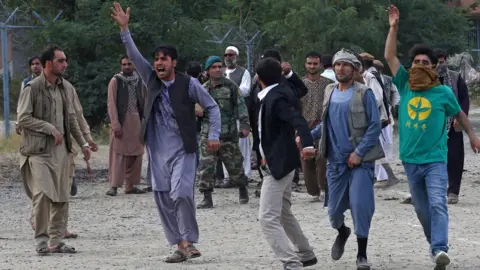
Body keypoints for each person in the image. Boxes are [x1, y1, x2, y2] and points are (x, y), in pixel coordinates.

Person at [111, 2, 221, 262]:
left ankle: (189, 239)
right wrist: (125, 30)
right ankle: (182, 244)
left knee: (181, 194)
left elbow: (212, 108)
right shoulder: (150, 79)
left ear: (173, 63)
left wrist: (214, 135)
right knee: (163, 198)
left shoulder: (189, 83)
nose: (158, 63)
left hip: (184, 150)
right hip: (157, 151)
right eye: (156, 59)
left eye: (163, 59)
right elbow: (135, 57)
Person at [384, 5, 480, 269]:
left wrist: (472, 135)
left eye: (425, 63)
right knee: (421, 209)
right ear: (411, 65)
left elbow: (460, 114)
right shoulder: (404, 84)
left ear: (433, 67)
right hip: (410, 160)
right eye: (416, 62)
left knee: (438, 203)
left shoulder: (442, 93)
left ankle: (440, 248)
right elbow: (389, 55)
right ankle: (434, 243)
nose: (420, 66)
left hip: (436, 159)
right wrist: (393, 28)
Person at [311, 48, 383, 269]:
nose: (340, 68)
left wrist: (359, 153)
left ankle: (362, 254)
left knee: (360, 206)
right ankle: (343, 232)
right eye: (337, 64)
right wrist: (307, 136)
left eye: (345, 65)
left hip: (360, 162)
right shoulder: (330, 91)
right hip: (335, 161)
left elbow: (375, 125)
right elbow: (327, 123)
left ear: (354, 69)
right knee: (333, 212)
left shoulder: (364, 93)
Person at [17, 45, 91, 254]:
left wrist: (84, 144)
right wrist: (48, 128)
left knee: (62, 195)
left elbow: (72, 119)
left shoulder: (65, 88)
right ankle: (41, 240)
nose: (65, 64)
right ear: (48, 63)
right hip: (39, 151)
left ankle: (56, 241)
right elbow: (23, 118)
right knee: (42, 194)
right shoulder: (32, 88)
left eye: (65, 60)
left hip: (62, 151)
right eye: (61, 61)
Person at [257, 57, 317, 270]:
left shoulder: (276, 98)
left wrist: (307, 143)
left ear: (258, 78)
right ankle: (305, 253)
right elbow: (299, 89)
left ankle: (291, 263)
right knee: (283, 212)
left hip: (279, 164)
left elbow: (298, 120)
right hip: (284, 161)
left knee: (267, 218)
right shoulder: (281, 92)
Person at [196, 56, 250, 209]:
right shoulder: (202, 89)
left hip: (228, 133)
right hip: (208, 134)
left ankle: (242, 188)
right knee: (206, 167)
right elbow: (193, 105)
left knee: (235, 166)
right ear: (208, 70)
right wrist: (196, 108)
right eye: (214, 67)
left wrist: (245, 125)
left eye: (220, 67)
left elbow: (241, 105)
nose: (218, 69)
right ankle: (207, 197)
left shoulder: (231, 86)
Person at [106, 55, 146, 196]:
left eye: (129, 64)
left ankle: (130, 185)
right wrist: (115, 124)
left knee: (137, 154)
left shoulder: (139, 80)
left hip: (137, 121)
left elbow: (144, 102)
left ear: (133, 65)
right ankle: (114, 186)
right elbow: (111, 103)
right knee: (119, 154)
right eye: (124, 64)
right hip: (122, 121)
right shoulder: (115, 81)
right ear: (120, 66)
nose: (127, 66)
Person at [434, 49, 470, 204]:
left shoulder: (455, 77)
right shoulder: (428, 78)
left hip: (453, 125)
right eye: (436, 62)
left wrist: (460, 117)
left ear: (446, 61)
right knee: (435, 159)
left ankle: (453, 191)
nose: (439, 65)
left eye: (441, 62)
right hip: (433, 126)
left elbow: (464, 98)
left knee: (455, 157)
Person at [300, 51, 333, 202]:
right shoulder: (300, 85)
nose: (312, 66)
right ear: (305, 64)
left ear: (320, 65)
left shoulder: (328, 85)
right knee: (306, 161)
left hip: (323, 127)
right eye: (309, 63)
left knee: (322, 158)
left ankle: (323, 188)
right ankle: (313, 192)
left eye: (315, 63)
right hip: (303, 127)